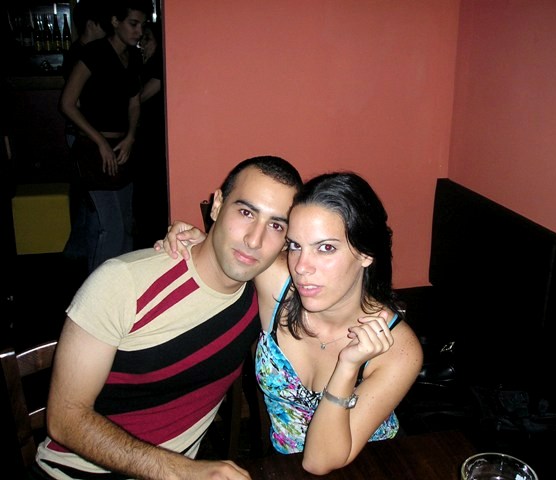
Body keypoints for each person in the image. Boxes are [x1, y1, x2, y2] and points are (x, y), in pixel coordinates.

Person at [31, 156, 303, 480]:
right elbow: (65, 419)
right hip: (71, 473)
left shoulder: (264, 292)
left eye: (276, 225)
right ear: (217, 205)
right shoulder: (122, 283)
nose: (254, 240)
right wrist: (182, 471)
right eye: (245, 212)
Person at [160, 172, 424, 475]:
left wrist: (348, 366)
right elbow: (230, 253)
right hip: (283, 466)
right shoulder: (276, 282)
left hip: (371, 466)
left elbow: (319, 461)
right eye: (295, 245)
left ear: (365, 253)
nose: (301, 267)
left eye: (325, 248)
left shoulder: (398, 350)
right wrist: (197, 241)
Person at [59, 0, 151, 274]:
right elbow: (67, 103)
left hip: (122, 145)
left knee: (125, 225)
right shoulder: (94, 52)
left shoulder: (133, 57)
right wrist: (100, 141)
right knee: (111, 227)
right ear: (115, 22)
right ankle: (99, 292)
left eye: (142, 25)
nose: (139, 31)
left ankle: (122, 286)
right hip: (93, 147)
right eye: (133, 24)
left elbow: (134, 103)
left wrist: (131, 137)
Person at [60, 0, 106, 272]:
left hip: (83, 135)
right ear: (92, 25)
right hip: (82, 136)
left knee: (89, 204)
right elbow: (72, 104)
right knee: (93, 206)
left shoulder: (81, 52)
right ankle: (84, 262)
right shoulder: (83, 54)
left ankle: (77, 255)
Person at [132, 20, 169, 249]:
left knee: (150, 198)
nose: (142, 43)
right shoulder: (149, 64)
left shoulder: (158, 64)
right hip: (150, 139)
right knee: (148, 198)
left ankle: (150, 244)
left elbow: (141, 97)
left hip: (154, 141)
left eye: (147, 39)